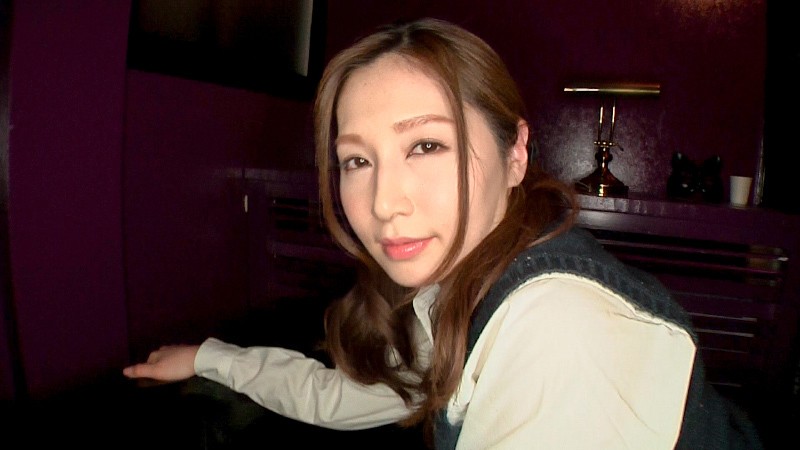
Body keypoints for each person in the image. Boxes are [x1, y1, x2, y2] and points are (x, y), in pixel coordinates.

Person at [124, 17, 763, 449]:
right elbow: (346, 396)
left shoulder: (559, 329)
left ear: (516, 153)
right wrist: (210, 358)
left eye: (426, 145)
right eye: (357, 160)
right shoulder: (462, 287)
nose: (383, 203)